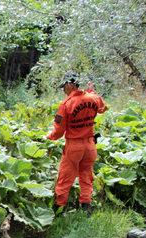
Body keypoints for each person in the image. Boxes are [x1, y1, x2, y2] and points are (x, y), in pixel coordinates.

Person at [46, 72, 108, 216]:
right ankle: (86, 209)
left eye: (64, 87)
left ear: (69, 85)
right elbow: (103, 108)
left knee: (65, 178)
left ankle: (58, 210)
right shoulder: (93, 98)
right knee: (86, 176)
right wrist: (92, 92)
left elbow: (58, 132)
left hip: (74, 147)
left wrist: (48, 137)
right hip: (90, 146)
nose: (63, 90)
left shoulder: (66, 104)